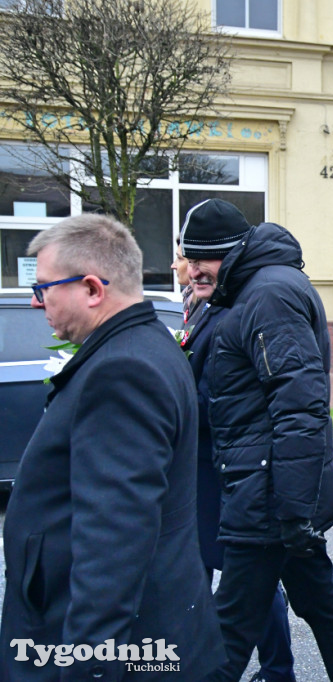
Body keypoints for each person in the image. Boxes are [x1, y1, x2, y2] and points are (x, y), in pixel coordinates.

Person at [0, 214, 224, 680]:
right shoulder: (145, 345)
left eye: (43, 288)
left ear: (92, 289)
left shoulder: (121, 370)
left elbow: (113, 546)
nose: (34, 301)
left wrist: (88, 668)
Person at [179, 198, 333, 682]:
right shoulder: (250, 288)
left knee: (232, 626)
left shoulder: (268, 296)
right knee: (321, 605)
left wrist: (290, 509)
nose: (192, 272)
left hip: (269, 493)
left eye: (201, 261)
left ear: (229, 252)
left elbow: (300, 405)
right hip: (272, 486)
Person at [181, 237, 297, 682]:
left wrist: (180, 398)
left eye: (196, 259)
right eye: (186, 260)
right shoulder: (203, 305)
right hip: (205, 465)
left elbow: (230, 393)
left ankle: (275, 668)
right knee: (223, 572)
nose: (189, 269)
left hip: (226, 465)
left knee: (245, 574)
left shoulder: (233, 307)